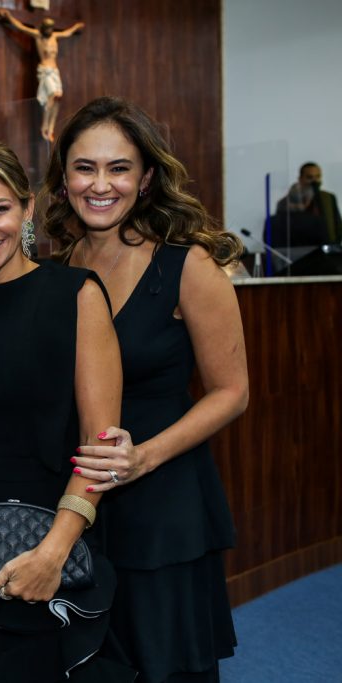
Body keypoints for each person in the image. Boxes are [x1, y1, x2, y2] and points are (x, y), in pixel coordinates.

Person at [42, 96, 249, 682]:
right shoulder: (62, 267)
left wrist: (145, 457)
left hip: (163, 507)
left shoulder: (190, 267)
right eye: (85, 168)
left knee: (166, 667)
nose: (100, 184)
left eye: (119, 168)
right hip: (83, 503)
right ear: (64, 180)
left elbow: (232, 392)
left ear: (147, 177)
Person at [0, 142, 130, 683]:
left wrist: (54, 552)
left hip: (52, 538)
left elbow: (100, 444)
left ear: (27, 209)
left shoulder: (75, 295)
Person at [0, 9, 84, 142]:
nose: (49, 31)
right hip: (45, 71)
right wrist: (8, 16)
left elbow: (67, 33)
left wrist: (76, 26)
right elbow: (20, 27)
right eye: (47, 29)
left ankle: (51, 128)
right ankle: (44, 125)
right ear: (44, 28)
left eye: (50, 28)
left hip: (54, 71)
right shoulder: (38, 35)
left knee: (58, 98)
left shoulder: (54, 36)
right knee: (53, 94)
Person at [273, 162, 341, 245]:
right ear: (300, 179)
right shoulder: (286, 202)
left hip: (327, 249)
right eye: (309, 177)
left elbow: (337, 224)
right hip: (301, 250)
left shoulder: (328, 198)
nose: (315, 181)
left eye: (318, 176)